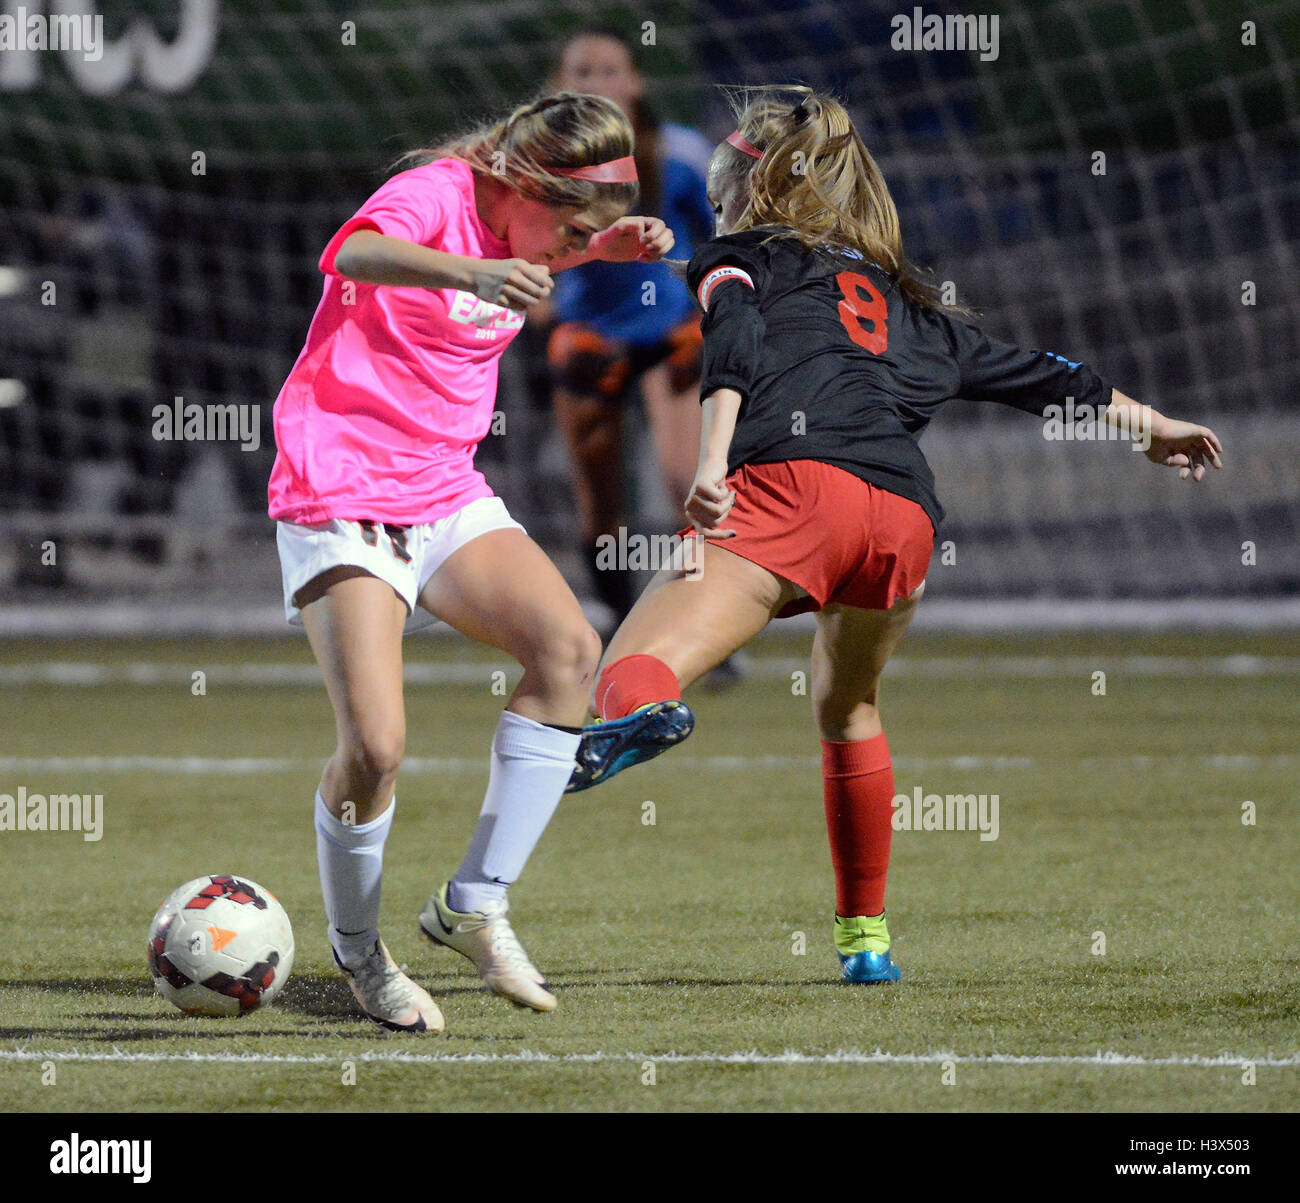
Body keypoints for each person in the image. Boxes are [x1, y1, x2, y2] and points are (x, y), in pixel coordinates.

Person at [567, 86, 1223, 985]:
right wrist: (1157, 428)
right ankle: (865, 941)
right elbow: (1040, 374)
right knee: (849, 709)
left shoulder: (740, 255)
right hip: (903, 521)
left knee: (627, 670)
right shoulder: (906, 306)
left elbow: (735, 341)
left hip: (791, 492)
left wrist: (710, 461)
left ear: (749, 193)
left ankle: (642, 714)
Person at [267, 91, 675, 1031]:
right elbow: (349, 253)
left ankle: (474, 902)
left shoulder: (540, 236)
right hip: (340, 483)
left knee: (569, 651)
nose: (563, 249)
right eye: (567, 228)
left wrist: (599, 250)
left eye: (582, 237)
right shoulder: (438, 194)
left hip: (442, 485)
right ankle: (362, 954)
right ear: (520, 183)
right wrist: (477, 271)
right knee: (375, 749)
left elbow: (534, 259)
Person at [542, 27, 717, 631]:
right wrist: (531, 297)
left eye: (609, 70)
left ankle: (696, 627)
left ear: (636, 81)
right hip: (591, 337)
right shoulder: (542, 160)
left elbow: (726, 236)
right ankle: (618, 627)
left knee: (689, 484)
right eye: (581, 72)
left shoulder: (682, 153)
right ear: (562, 85)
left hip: (672, 331)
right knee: (598, 503)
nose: (595, 83)